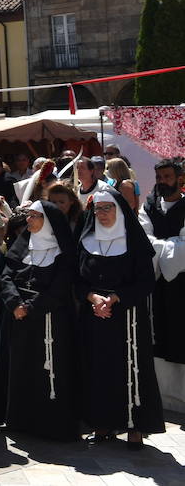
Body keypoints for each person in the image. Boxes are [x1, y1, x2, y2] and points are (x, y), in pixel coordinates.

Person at [76, 188, 164, 446]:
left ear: (120, 210)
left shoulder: (134, 242)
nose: (102, 214)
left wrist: (115, 297)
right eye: (98, 209)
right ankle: (102, 424)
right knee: (99, 369)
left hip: (128, 318)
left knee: (132, 370)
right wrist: (93, 298)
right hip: (94, 316)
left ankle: (136, 425)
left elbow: (146, 282)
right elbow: (76, 280)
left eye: (108, 208)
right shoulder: (86, 240)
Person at [0, 200, 78, 440]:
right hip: (19, 318)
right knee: (20, 368)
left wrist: (29, 308)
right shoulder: (23, 246)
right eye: (28, 216)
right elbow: (6, 276)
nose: (28, 221)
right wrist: (14, 304)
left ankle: (48, 423)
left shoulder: (62, 253)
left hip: (49, 320)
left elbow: (60, 287)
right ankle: (18, 419)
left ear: (49, 223)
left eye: (34, 217)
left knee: (47, 371)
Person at [140, 158, 185, 413]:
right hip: (157, 283)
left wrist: (160, 245)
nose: (162, 182)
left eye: (167, 177)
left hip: (182, 284)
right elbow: (144, 238)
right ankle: (163, 397)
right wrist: (170, 244)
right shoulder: (149, 205)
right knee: (159, 333)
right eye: (159, 178)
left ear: (179, 179)